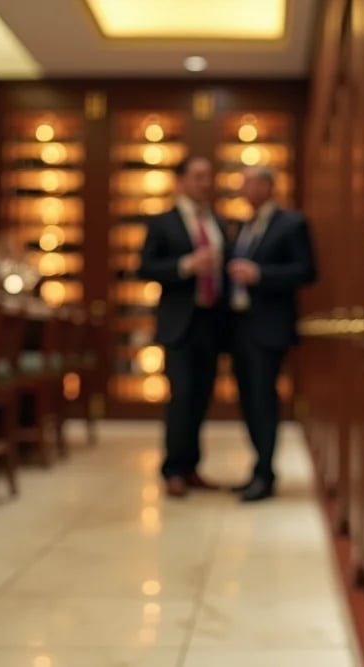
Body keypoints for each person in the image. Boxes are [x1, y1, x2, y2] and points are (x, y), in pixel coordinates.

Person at [137, 156, 228, 498]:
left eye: (209, 176)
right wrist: (186, 265)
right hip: (180, 322)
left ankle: (191, 467)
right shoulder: (163, 223)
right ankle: (172, 468)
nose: (207, 183)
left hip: (212, 321)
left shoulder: (218, 222)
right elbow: (145, 267)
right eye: (199, 176)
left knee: (202, 397)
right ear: (182, 181)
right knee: (182, 396)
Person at [227, 165, 317, 502]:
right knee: (247, 399)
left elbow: (306, 270)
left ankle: (265, 473)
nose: (243, 190)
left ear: (267, 186)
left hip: (269, 326)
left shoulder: (291, 223)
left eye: (248, 183)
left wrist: (259, 274)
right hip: (240, 327)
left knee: (264, 398)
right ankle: (258, 467)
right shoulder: (244, 226)